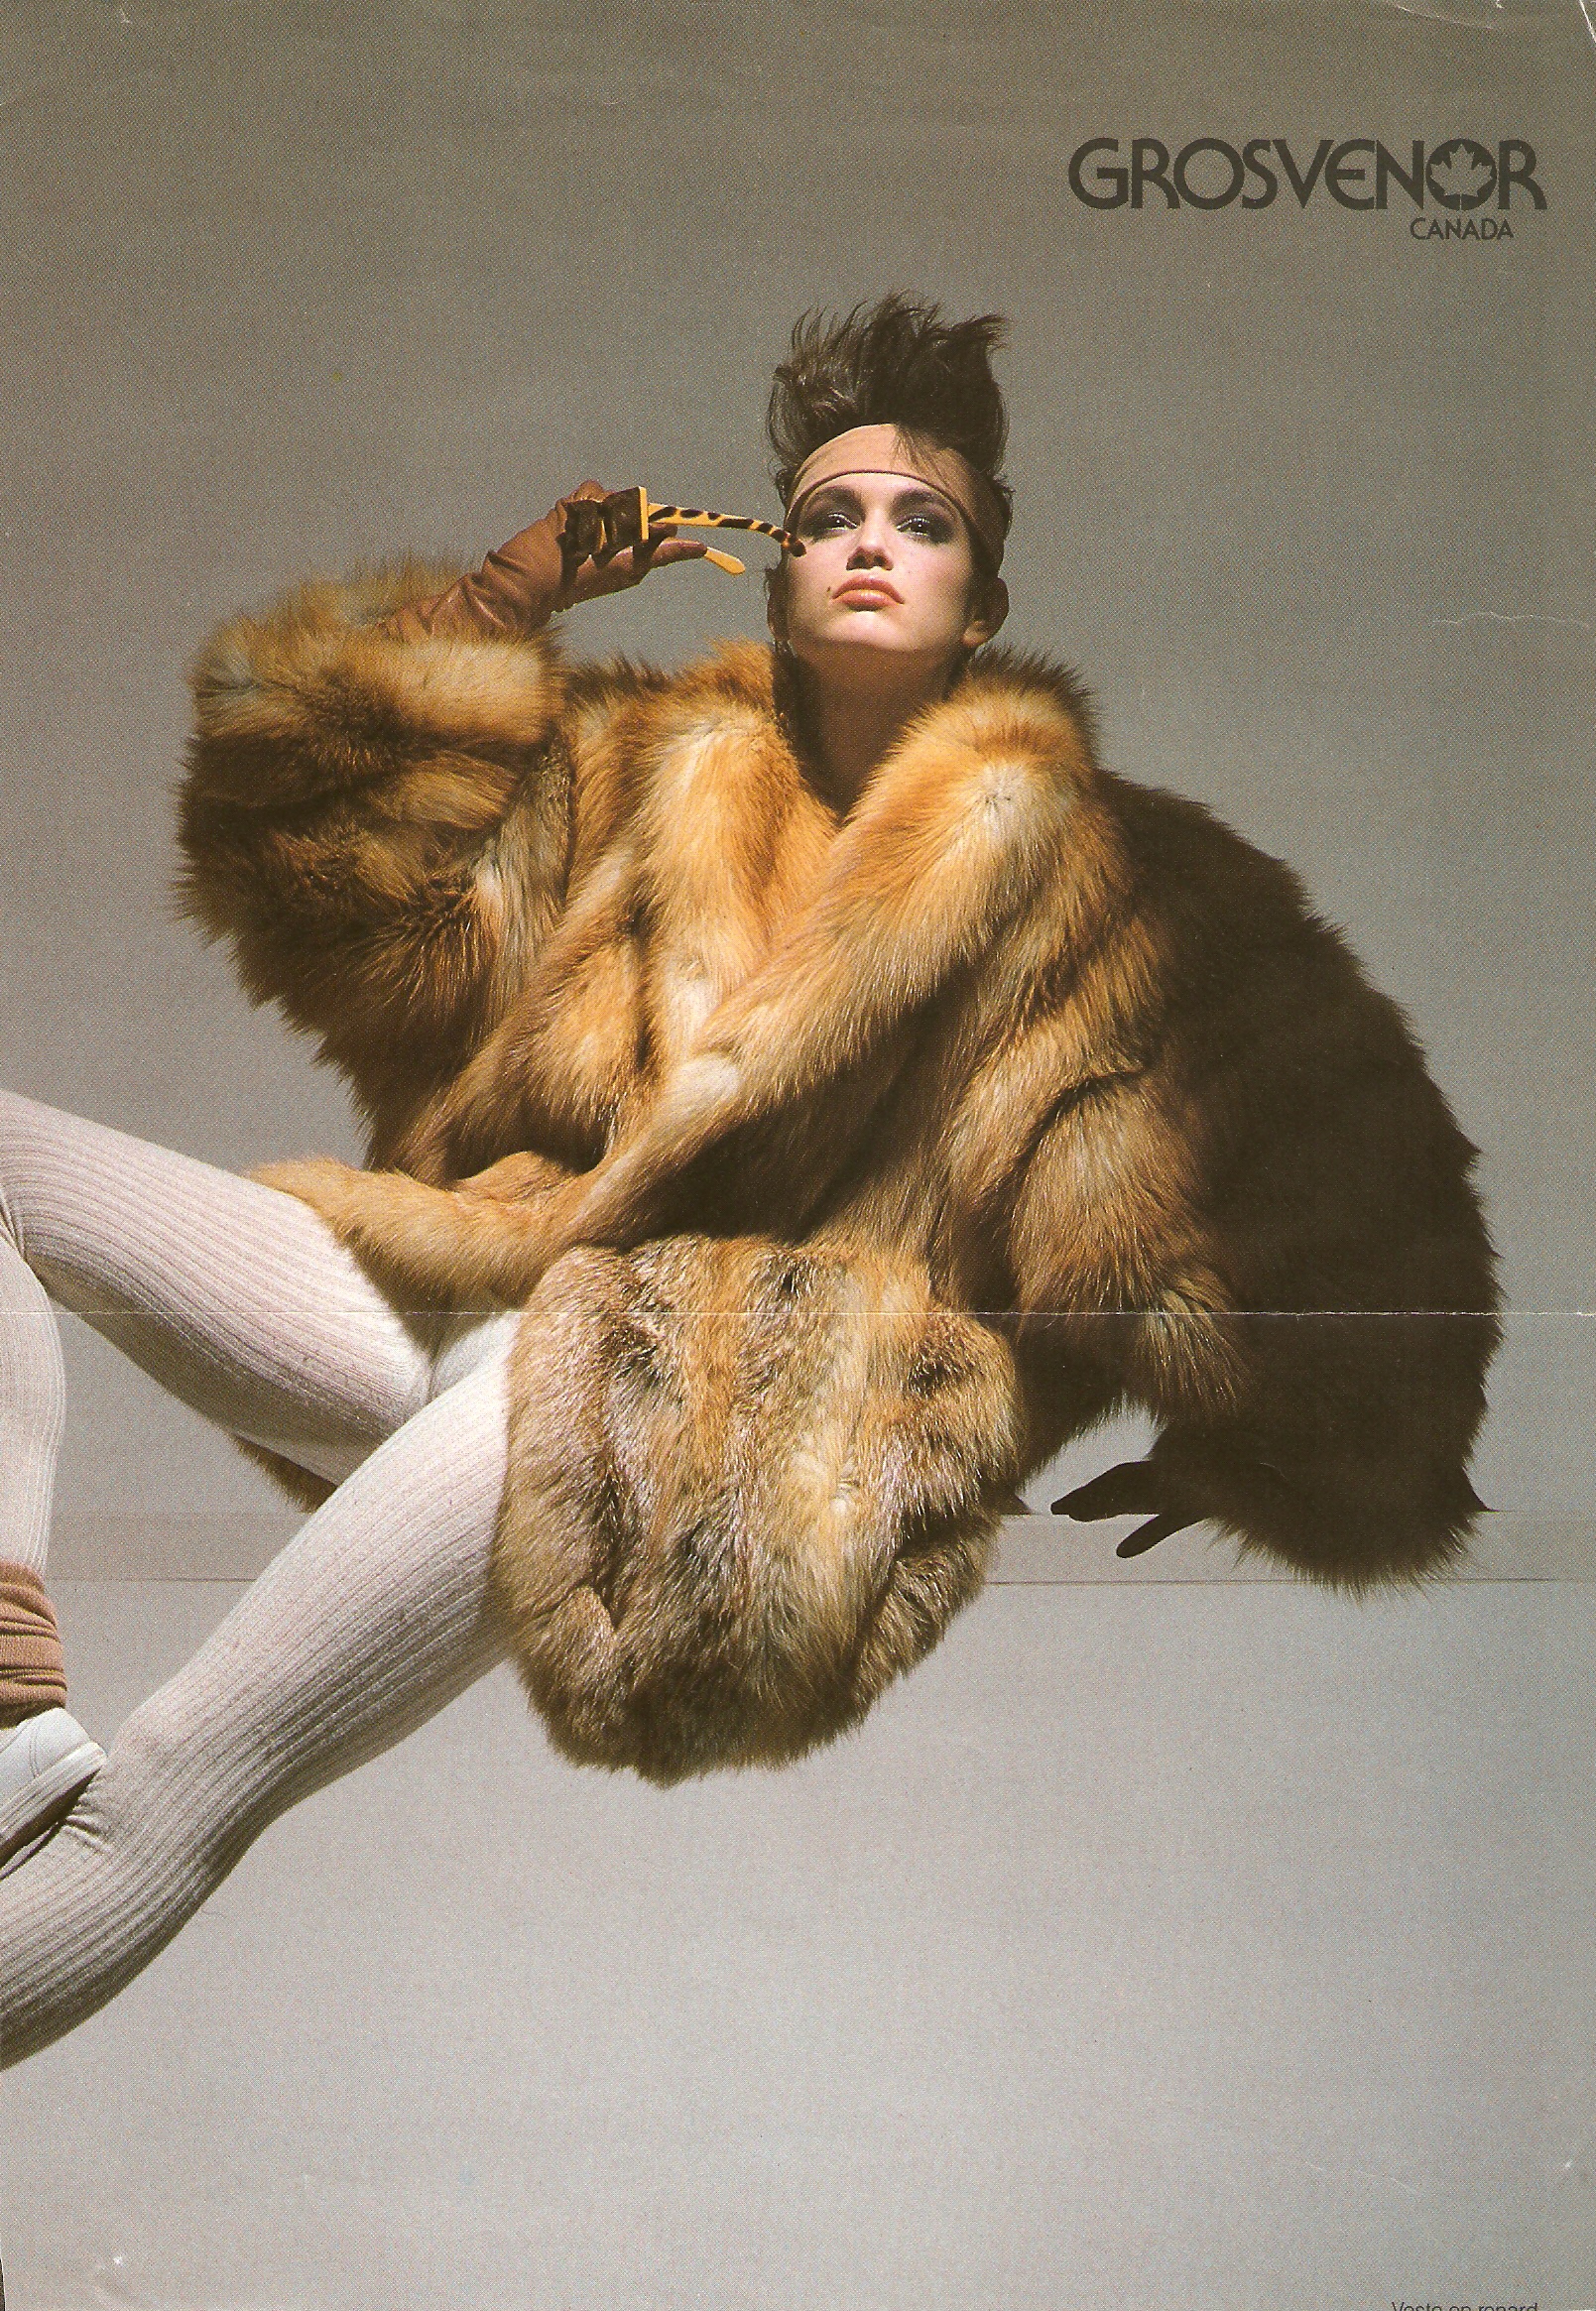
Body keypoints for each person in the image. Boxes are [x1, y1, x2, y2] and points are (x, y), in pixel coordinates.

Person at [0, 295, 1499, 2065]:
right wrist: (504, 600)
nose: (869, 543)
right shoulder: (641, 763)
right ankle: (6, 1694)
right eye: (828, 517)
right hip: (480, 1295)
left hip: (711, 1421)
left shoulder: (1116, 890)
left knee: (176, 1778)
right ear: (776, 572)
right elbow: (323, 873)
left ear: (983, 600)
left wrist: (1276, 1448)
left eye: (921, 522)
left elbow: (1345, 1174)